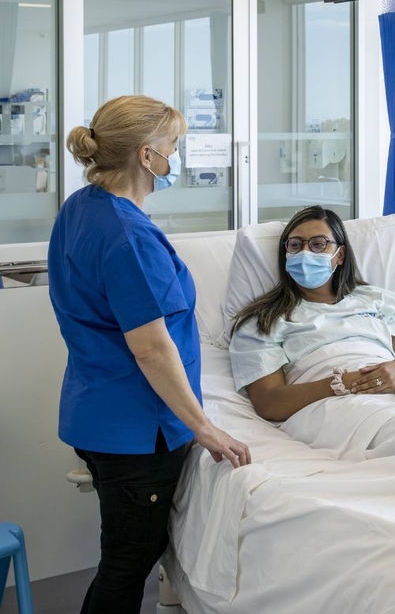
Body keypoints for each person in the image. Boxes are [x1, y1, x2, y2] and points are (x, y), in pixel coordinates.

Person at [49, 95, 251, 614]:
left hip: (96, 415)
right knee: (127, 563)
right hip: (138, 431)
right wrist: (206, 428)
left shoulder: (81, 207)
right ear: (146, 156)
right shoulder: (128, 236)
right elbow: (151, 349)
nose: (176, 157)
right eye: (173, 147)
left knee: (125, 554)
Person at [229, 205, 395, 422]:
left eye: (318, 244)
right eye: (295, 246)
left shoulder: (379, 301)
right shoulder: (263, 321)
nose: (305, 253)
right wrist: (342, 384)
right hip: (332, 405)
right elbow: (269, 403)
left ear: (340, 255)